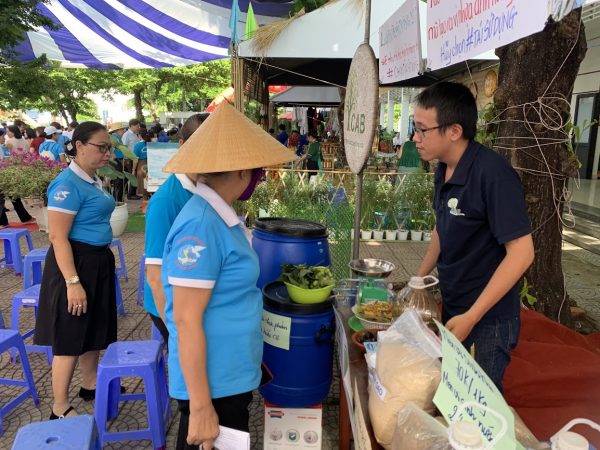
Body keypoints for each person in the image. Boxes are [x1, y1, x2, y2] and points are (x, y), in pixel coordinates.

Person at [161, 103, 296, 450]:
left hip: (229, 373)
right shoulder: (201, 225)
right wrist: (202, 407)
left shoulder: (220, 216)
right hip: (214, 384)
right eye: (258, 170)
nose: (260, 177)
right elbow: (186, 319)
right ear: (239, 171)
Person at [414, 81, 534, 392]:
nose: (415, 138)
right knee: (453, 392)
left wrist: (472, 316)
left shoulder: (493, 175)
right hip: (456, 305)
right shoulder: (444, 169)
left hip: (488, 318)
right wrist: (418, 279)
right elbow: (443, 227)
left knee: (479, 402)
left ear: (453, 131)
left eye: (422, 129)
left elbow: (522, 253)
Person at [34, 121, 117, 419]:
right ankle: (59, 406)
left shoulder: (91, 178)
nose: (108, 153)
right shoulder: (66, 184)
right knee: (70, 334)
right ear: (79, 146)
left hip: (97, 262)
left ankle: (91, 383)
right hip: (74, 264)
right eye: (101, 147)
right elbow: (57, 236)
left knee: (94, 326)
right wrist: (73, 282)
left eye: (109, 147)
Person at [144, 113, 210, 346]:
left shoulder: (207, 186)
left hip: (195, 294)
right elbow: (154, 276)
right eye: (200, 147)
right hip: (171, 304)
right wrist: (176, 331)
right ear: (182, 146)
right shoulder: (166, 201)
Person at [122, 119, 143, 200]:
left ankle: (132, 193)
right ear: (132, 126)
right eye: (137, 126)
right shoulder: (126, 135)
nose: (138, 128)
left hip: (135, 158)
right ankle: (130, 194)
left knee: (134, 175)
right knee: (131, 176)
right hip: (129, 159)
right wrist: (126, 158)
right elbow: (124, 147)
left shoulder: (136, 134)